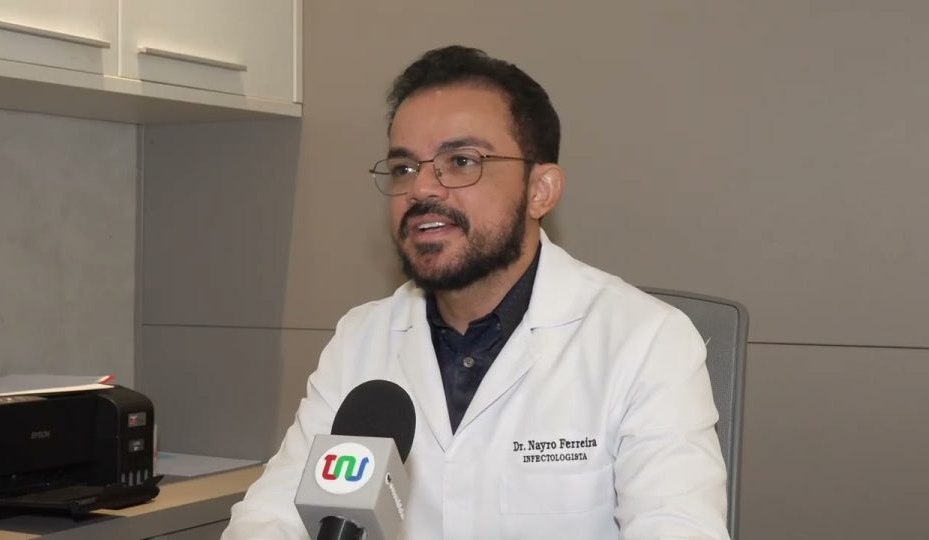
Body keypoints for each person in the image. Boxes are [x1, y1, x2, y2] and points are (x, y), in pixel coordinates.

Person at [223, 45, 729, 540]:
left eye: (462, 161)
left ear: (540, 191)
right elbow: (273, 514)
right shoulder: (361, 339)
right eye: (403, 168)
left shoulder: (645, 341)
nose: (422, 189)